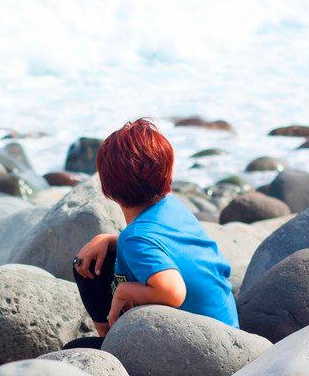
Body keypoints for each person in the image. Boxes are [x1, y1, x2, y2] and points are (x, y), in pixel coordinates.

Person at [72, 118, 237, 344]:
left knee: (74, 351)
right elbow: (166, 246)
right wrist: (110, 240)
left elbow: (172, 291)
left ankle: (111, 347)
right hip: (230, 335)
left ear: (107, 186)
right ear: (167, 173)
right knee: (90, 262)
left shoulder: (135, 238)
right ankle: (112, 341)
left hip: (201, 349)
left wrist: (124, 292)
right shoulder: (173, 208)